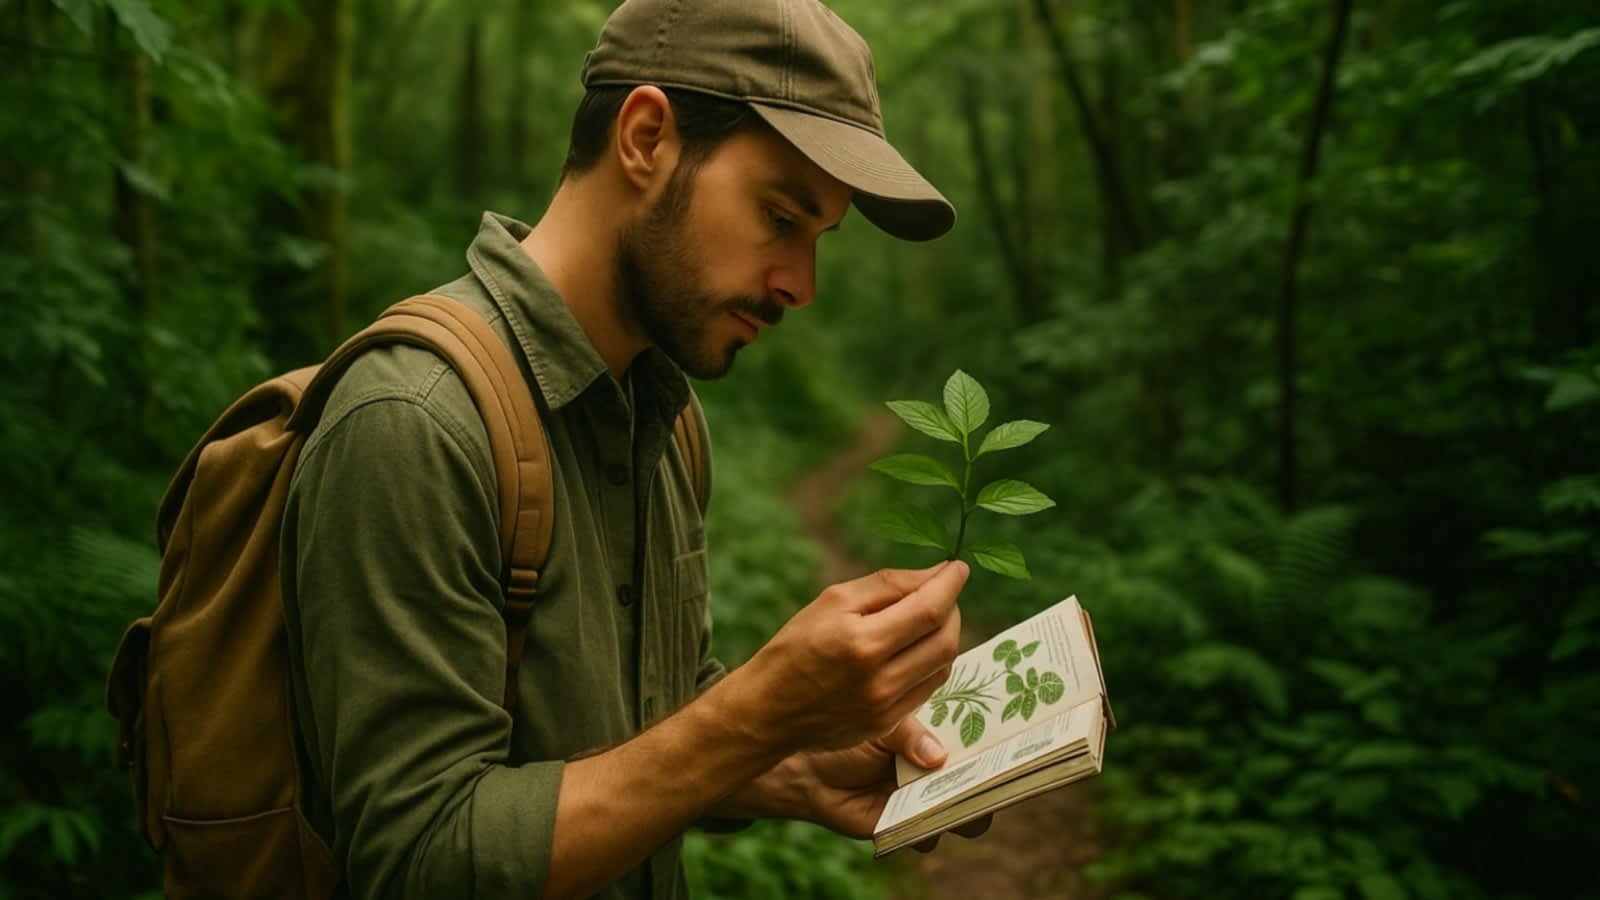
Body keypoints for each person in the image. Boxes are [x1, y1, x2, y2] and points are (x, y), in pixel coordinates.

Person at [279, 1, 984, 897]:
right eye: (779, 216)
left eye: (818, 239)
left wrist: (793, 762)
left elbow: (641, 733)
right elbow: (415, 859)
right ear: (646, 137)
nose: (800, 285)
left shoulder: (663, 417)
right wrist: (757, 709)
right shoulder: (415, 422)